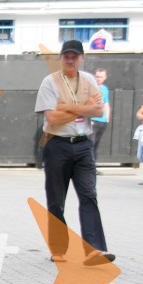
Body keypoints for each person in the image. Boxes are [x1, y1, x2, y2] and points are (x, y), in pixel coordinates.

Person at [34, 40, 115, 266]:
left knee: (89, 195)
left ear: (82, 58)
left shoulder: (89, 80)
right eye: (66, 56)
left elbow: (98, 110)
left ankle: (94, 249)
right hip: (56, 144)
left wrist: (67, 107)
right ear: (60, 58)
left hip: (83, 145)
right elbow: (52, 118)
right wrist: (83, 107)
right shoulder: (49, 82)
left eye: (74, 56)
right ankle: (59, 248)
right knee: (56, 199)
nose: (70, 60)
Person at [90, 68, 110, 174]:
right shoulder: (90, 88)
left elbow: (106, 103)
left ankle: (93, 167)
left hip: (102, 121)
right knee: (90, 144)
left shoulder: (104, 89)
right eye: (97, 76)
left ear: (105, 77)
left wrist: (107, 118)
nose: (99, 79)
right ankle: (87, 167)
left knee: (95, 145)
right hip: (92, 120)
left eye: (101, 77)